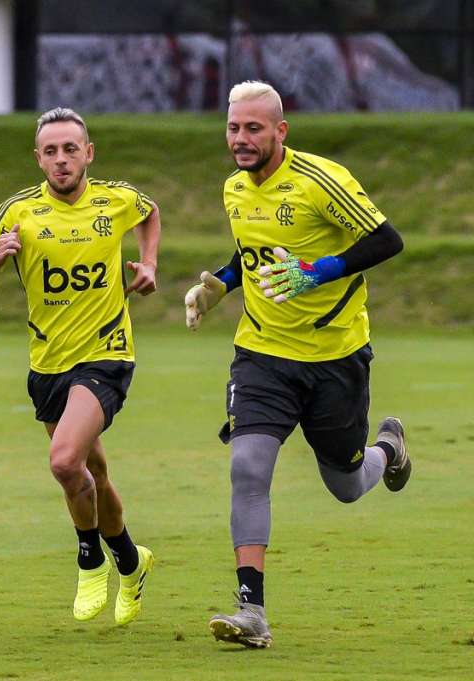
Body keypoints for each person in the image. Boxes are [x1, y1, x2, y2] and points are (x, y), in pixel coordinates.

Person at [184, 81, 411, 648]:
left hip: (335, 358)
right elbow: (252, 252)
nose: (240, 138)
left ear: (280, 131)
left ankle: (388, 451)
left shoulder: (320, 180)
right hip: (262, 354)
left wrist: (318, 271)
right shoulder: (235, 188)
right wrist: (220, 285)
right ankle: (252, 611)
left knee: (346, 485)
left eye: (253, 128)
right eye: (233, 128)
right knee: (248, 468)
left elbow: (387, 240)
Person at [0, 107, 161, 624]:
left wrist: (149, 263)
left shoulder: (114, 200)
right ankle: (130, 561)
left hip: (107, 354)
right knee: (91, 472)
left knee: (63, 461)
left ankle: (90, 560)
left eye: (70, 149)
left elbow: (149, 211)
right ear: (38, 158)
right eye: (50, 151)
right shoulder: (16, 212)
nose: (61, 159)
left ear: (88, 153)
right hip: (49, 362)